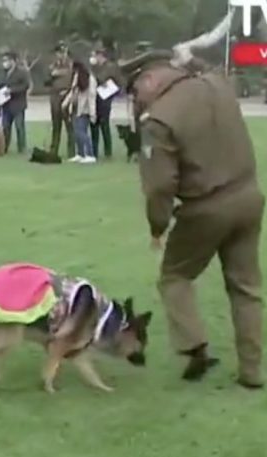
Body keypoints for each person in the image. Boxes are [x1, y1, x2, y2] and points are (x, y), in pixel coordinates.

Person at [119, 48, 264, 388]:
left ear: (151, 79)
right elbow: (210, 68)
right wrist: (191, 60)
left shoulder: (159, 119)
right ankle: (253, 371)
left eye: (135, 89)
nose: (136, 98)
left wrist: (158, 227)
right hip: (249, 197)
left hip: (205, 208)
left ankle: (194, 346)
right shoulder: (217, 84)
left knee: (174, 276)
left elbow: (159, 187)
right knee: (246, 288)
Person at [89, 44, 119, 159]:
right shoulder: (95, 67)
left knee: (104, 124)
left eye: (96, 55)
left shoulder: (109, 67)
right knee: (94, 125)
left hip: (105, 98)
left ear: (101, 56)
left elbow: (103, 79)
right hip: (95, 98)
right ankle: (94, 150)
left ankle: (108, 151)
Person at [46, 41, 75, 158]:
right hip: (55, 96)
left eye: (63, 52)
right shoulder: (52, 65)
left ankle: (72, 151)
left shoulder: (71, 64)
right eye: (59, 53)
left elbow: (72, 78)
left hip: (67, 96)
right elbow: (47, 80)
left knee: (70, 125)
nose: (61, 55)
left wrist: (58, 73)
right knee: (56, 126)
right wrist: (52, 74)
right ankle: (54, 150)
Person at [0, 51, 30, 154]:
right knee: (5, 127)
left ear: (13, 61)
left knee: (19, 127)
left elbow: (25, 86)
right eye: (4, 60)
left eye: (7, 60)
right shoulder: (3, 73)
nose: (5, 63)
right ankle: (4, 147)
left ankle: (22, 148)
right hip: (6, 105)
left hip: (18, 104)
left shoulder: (22, 72)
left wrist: (12, 90)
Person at [68, 60, 96, 164]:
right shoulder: (77, 77)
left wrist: (93, 113)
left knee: (82, 132)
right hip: (75, 107)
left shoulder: (90, 79)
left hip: (84, 109)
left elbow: (91, 96)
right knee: (76, 132)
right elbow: (73, 91)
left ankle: (90, 154)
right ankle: (80, 153)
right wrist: (67, 103)